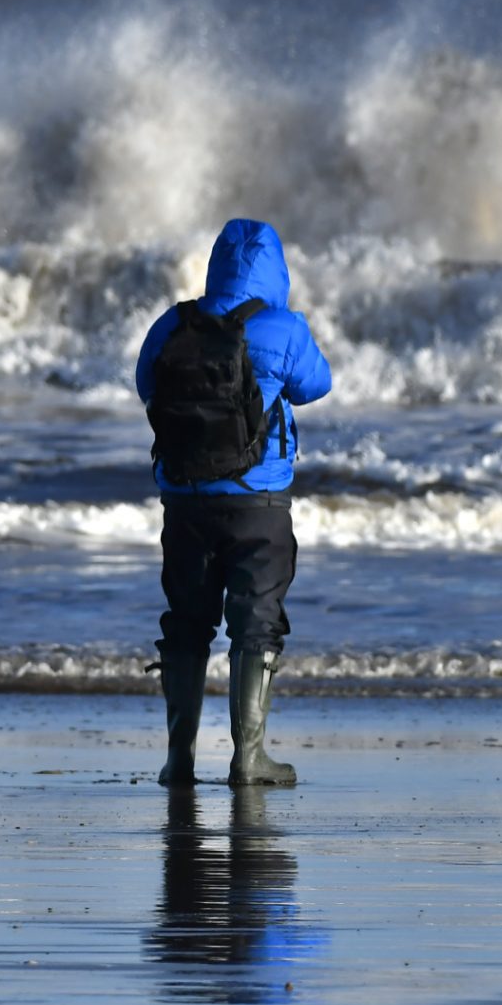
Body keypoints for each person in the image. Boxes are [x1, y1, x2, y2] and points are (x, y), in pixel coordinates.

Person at [135, 218, 332, 787]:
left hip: (184, 502)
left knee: (187, 624)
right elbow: (316, 385)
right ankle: (249, 758)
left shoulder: (173, 323)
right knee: (256, 624)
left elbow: (146, 384)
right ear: (277, 270)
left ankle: (179, 759)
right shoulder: (283, 328)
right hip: (258, 504)